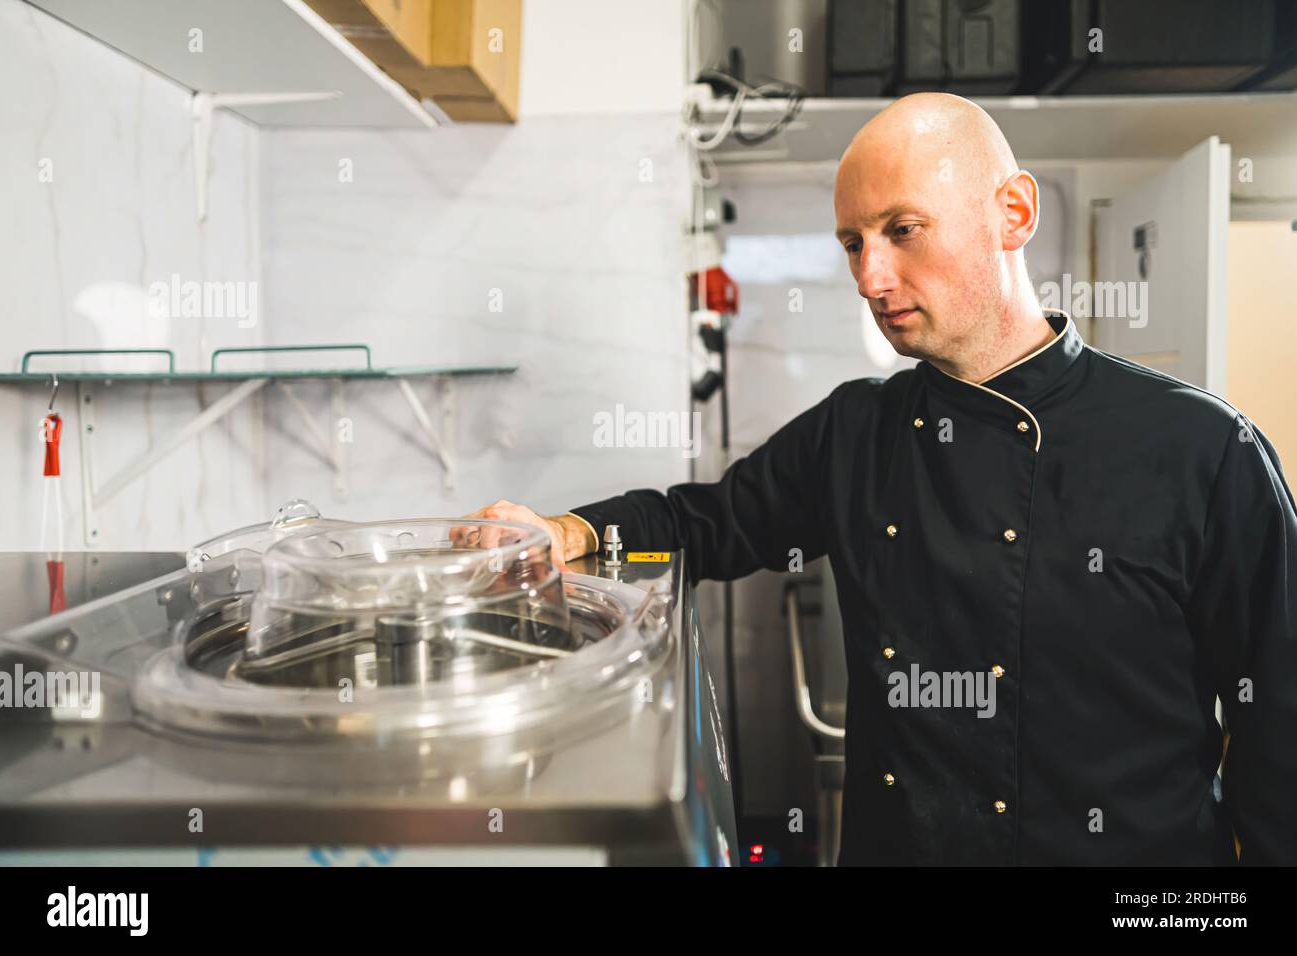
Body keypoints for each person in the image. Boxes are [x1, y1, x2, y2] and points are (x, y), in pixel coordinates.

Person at [464, 92, 1297, 865]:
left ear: (1013, 213)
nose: (870, 277)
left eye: (903, 230)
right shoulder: (857, 429)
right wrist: (568, 530)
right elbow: (710, 520)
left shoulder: (1200, 447)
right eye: (853, 243)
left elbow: (1280, 726)